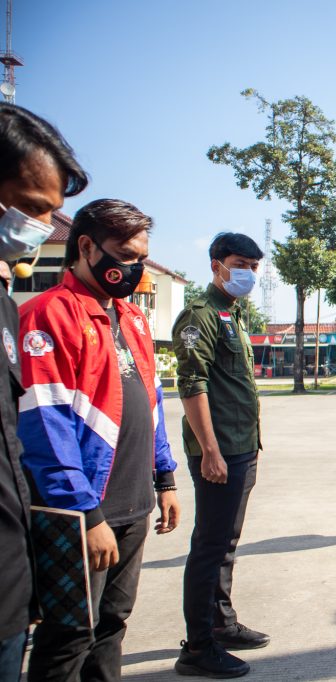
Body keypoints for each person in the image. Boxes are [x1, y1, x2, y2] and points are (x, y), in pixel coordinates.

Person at [18, 199, 179, 681]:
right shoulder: (49, 316)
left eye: (141, 259)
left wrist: (165, 476)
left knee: (113, 625)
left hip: (133, 504)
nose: (134, 269)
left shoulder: (132, 319)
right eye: (125, 256)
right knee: (69, 636)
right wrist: (86, 514)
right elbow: (47, 427)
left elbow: (150, 401)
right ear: (86, 247)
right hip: (82, 512)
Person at [0, 103, 88, 682]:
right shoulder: (43, 313)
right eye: (31, 209)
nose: (38, 228)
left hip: (9, 580)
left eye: (51, 214)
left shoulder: (6, 307)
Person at [172, 233, 265, 679]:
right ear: (216, 265)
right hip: (220, 451)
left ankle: (222, 623)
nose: (248, 271)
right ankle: (198, 646)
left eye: (254, 264)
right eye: (240, 262)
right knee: (209, 546)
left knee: (225, 541)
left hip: (241, 445)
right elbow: (192, 385)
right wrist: (210, 450)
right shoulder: (200, 316)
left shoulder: (232, 314)